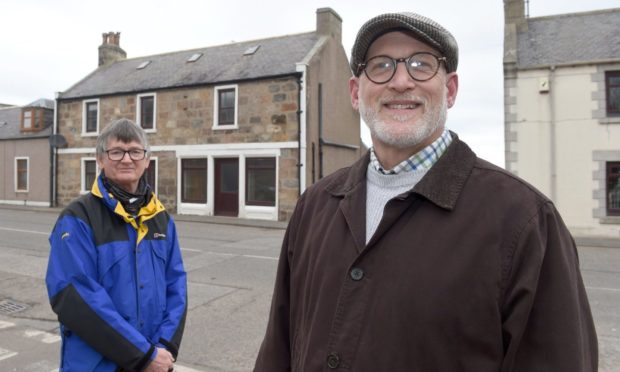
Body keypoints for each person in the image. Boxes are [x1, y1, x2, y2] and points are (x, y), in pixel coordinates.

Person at [254, 12, 597, 372]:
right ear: (356, 92)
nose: (401, 81)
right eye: (381, 65)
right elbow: (278, 347)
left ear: (449, 90)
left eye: (421, 64)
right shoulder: (314, 205)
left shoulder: (525, 220)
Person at [46, 118, 187, 372]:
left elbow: (176, 285)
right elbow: (73, 295)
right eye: (116, 152)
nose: (126, 159)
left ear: (146, 160)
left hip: (154, 360)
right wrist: (142, 355)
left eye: (135, 151)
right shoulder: (78, 217)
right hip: (97, 365)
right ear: (100, 159)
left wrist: (164, 348)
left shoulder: (161, 219)